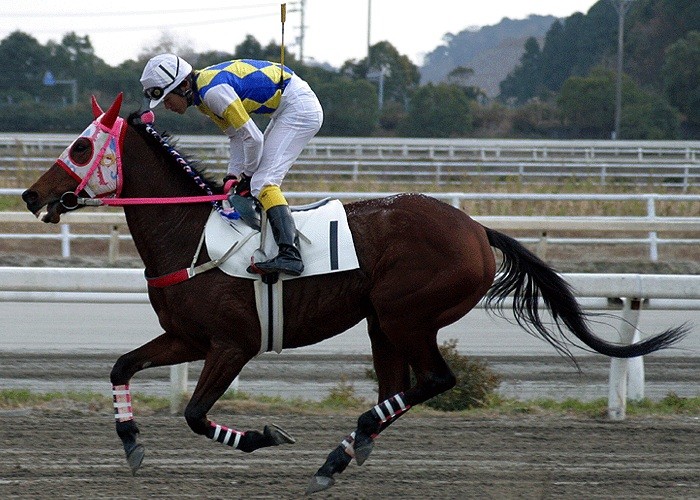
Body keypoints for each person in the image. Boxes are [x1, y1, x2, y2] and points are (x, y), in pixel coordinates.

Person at [140, 53, 323, 277]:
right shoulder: (203, 98)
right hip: (288, 105)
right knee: (256, 182)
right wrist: (232, 176)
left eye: (167, 98)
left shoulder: (213, 93)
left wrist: (246, 175)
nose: (167, 106)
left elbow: (254, 138)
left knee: (262, 182)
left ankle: (290, 254)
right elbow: (237, 137)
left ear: (184, 84)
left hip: (299, 108)